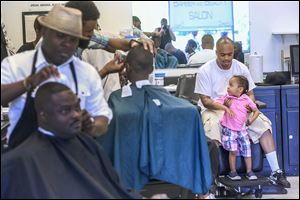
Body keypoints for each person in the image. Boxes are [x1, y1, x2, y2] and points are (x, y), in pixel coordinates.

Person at [97, 45, 213, 197]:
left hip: (128, 172)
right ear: (152, 69)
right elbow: (191, 114)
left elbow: (106, 142)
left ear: (127, 67)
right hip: (171, 169)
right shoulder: (178, 104)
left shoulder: (117, 100)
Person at [1, 82, 141, 199]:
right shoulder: (20, 161)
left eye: (77, 108)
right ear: (43, 115)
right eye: (65, 110)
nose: (76, 115)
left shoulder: (86, 143)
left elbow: (113, 188)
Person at [1, 5, 112, 149]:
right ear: (45, 33)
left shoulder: (86, 73)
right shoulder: (19, 65)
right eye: (60, 36)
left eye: (72, 40)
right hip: (28, 155)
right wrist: (27, 83)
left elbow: (102, 119)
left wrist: (91, 126)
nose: (66, 43)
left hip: (71, 154)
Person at [194, 36, 291, 188]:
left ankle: (276, 171)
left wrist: (248, 108)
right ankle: (211, 178)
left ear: (234, 52)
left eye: (229, 54)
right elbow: (205, 101)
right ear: (216, 52)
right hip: (214, 108)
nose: (226, 58)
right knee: (211, 127)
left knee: (262, 124)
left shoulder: (241, 68)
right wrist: (225, 108)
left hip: (238, 109)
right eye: (222, 54)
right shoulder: (205, 70)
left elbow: (250, 94)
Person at [213, 75, 260, 180]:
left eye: (231, 85)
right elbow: (215, 103)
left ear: (240, 89)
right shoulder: (227, 98)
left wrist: (251, 120)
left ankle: (249, 171)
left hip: (242, 130)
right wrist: (226, 107)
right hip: (229, 130)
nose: (228, 87)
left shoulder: (246, 99)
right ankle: (233, 172)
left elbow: (256, 111)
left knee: (247, 150)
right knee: (233, 151)